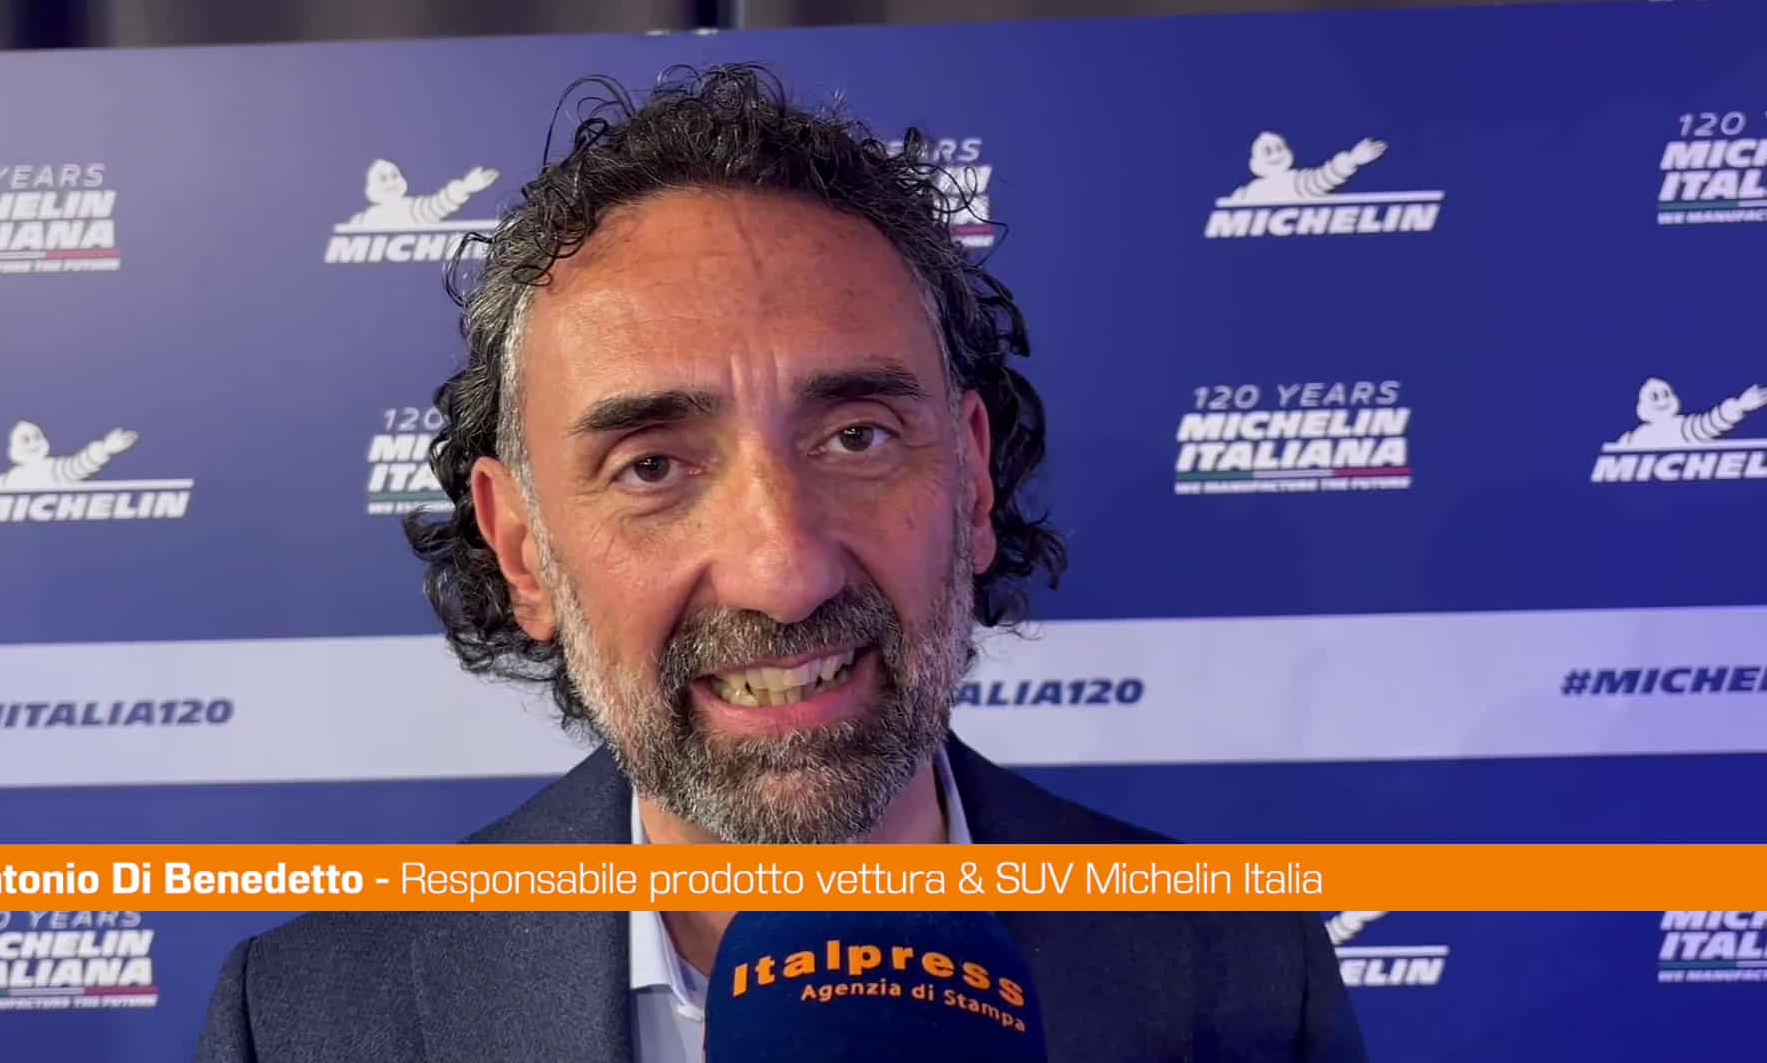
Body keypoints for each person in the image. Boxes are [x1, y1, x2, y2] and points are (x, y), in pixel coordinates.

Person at [194, 65, 1365, 1063]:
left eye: (856, 438)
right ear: (523, 551)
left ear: (971, 482)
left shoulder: (1242, 966)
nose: (783, 571)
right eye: (653, 467)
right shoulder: (305, 1022)